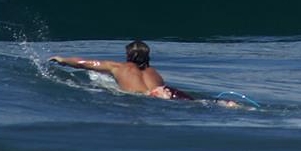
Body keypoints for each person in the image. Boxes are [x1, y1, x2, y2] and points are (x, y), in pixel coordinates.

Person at [49, 40, 193, 100]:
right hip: (164, 95)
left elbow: (83, 63)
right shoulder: (154, 72)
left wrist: (62, 60)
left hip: (139, 99)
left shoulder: (117, 67)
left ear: (128, 55)